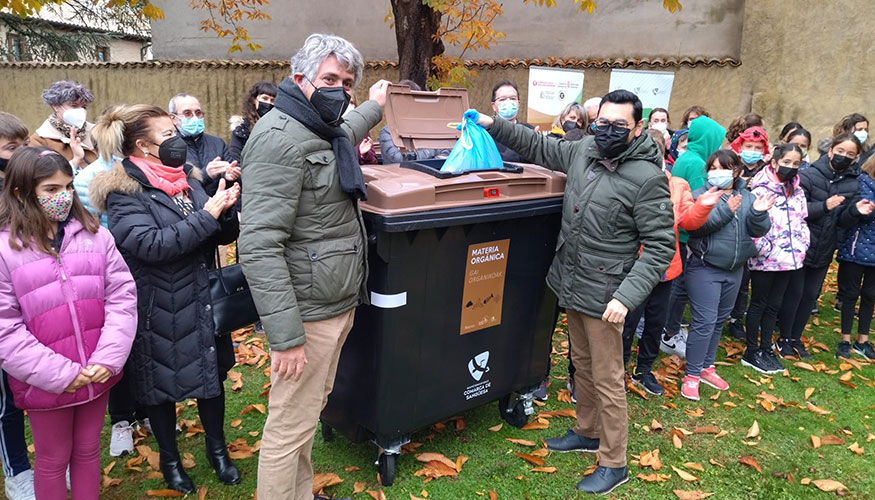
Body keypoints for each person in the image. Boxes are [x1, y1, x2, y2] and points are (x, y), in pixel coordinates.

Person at [476, 89, 675, 494]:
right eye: (603, 123)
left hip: (607, 296)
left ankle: (614, 461)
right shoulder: (582, 150)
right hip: (572, 282)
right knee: (581, 364)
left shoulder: (647, 178)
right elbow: (539, 146)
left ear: (637, 128)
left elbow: (659, 246)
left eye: (619, 125)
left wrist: (625, 297)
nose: (609, 131)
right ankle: (587, 431)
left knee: (607, 378)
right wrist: (493, 124)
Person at [238, 33, 390, 500]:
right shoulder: (278, 139)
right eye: (329, 78)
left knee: (308, 412)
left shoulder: (319, 127)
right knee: (289, 426)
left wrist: (376, 105)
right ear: (300, 78)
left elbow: (348, 127)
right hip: (307, 312)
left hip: (334, 300)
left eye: (346, 83)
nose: (340, 90)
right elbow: (260, 245)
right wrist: (285, 337)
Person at [89, 104, 242, 493]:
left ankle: (217, 450)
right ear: (142, 145)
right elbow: (150, 245)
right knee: (160, 388)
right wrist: (207, 216)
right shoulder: (122, 192)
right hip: (159, 305)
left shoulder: (186, 179)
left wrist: (224, 211)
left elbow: (218, 236)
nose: (176, 139)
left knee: (211, 379)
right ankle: (171, 462)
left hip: (201, 298)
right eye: (166, 133)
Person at [0, 146, 137, 500]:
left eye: (68, 187)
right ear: (21, 192)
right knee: (52, 459)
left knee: (88, 450)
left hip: (97, 371)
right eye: (51, 190)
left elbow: (122, 297)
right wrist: (60, 373)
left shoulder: (96, 236)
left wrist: (108, 357)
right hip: (44, 380)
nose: (63, 197)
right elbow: (5, 328)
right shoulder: (5, 250)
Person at [623, 132, 721, 396]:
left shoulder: (677, 185)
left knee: (655, 322)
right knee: (627, 323)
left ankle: (643, 370)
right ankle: (618, 371)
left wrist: (703, 206)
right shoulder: (628, 182)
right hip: (634, 267)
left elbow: (688, 220)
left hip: (666, 268)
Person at [682, 149, 774, 400]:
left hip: (735, 270)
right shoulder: (701, 195)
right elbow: (696, 229)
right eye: (712, 168)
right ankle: (691, 375)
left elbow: (758, 230)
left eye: (723, 168)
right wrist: (725, 211)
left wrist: (758, 212)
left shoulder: (747, 196)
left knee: (719, 320)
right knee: (704, 322)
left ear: (737, 171)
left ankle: (706, 367)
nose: (717, 173)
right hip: (705, 268)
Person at [780, 134, 873, 360]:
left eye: (850, 155)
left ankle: (796, 339)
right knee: (794, 293)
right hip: (801, 244)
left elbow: (843, 222)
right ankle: (783, 339)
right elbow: (798, 211)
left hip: (825, 247)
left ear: (857, 157)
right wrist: (824, 206)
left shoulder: (853, 183)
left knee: (810, 295)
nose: (844, 157)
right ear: (831, 150)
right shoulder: (809, 174)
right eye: (840, 151)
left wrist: (855, 211)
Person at [660, 116, 726, 357]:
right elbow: (698, 200)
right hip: (687, 235)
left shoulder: (685, 157)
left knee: (675, 285)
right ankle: (670, 332)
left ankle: (668, 328)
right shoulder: (698, 164)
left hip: (679, 231)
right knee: (680, 286)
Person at [744, 144, 810, 372]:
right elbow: (751, 223)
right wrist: (763, 249)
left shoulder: (797, 190)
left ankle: (766, 349)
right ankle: (751, 351)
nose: (791, 167)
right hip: (766, 259)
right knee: (759, 303)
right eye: (786, 162)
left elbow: (802, 221)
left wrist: (801, 247)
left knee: (774, 305)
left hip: (789, 259)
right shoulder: (760, 188)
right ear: (774, 162)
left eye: (796, 164)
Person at [0, 113, 36, 500]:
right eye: (12, 148)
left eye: (24, 145)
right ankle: (16, 470)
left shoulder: (27, 190)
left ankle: (51, 459)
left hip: (32, 301)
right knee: (7, 400)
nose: (21, 155)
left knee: (37, 389)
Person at [836, 154, 875, 360]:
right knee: (849, 295)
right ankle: (844, 339)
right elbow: (866, 212)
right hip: (856, 248)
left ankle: (863, 339)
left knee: (870, 295)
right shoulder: (862, 183)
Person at [168, 93, 240, 194]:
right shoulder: (168, 147)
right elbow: (172, 186)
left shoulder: (217, 143)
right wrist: (206, 175)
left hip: (222, 205)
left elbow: (233, 174)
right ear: (173, 118)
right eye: (187, 113)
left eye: (198, 113)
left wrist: (229, 175)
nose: (195, 118)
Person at [30, 80, 98, 170]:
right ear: (55, 106)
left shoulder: (96, 131)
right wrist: (76, 160)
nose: (80, 111)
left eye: (83, 107)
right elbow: (45, 176)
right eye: (74, 105)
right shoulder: (40, 140)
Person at [377, 80, 449, 164]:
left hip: (430, 176)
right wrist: (430, 152)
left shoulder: (430, 129)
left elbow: (445, 156)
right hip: (401, 176)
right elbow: (398, 160)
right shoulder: (388, 132)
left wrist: (416, 156)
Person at [226, 81, 277, 163]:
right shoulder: (242, 130)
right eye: (264, 98)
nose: (268, 103)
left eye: (272, 100)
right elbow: (235, 158)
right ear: (254, 100)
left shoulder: (279, 126)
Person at [490, 80, 534, 163]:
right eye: (502, 99)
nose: (508, 103)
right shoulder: (486, 133)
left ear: (518, 103)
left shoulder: (529, 130)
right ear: (494, 106)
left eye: (513, 98)